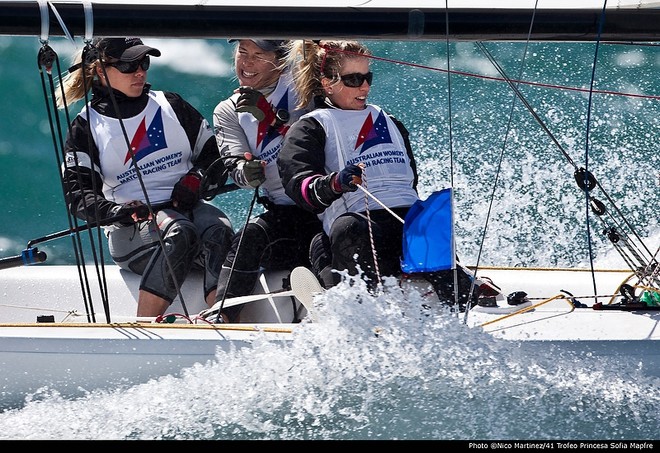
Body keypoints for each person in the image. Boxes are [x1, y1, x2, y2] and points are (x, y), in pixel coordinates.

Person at [278, 40, 484, 306]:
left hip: (405, 224)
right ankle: (338, 297)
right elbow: (300, 187)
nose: (364, 87)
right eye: (353, 79)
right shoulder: (311, 127)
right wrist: (335, 183)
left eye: (367, 77)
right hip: (361, 229)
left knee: (434, 218)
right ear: (328, 83)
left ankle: (464, 300)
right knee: (349, 228)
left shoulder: (390, 121)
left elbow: (410, 180)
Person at [57, 37, 234, 318]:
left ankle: (220, 319)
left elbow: (215, 156)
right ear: (101, 71)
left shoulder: (171, 105)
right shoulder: (86, 126)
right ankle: (146, 324)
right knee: (180, 232)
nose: (140, 72)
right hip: (133, 231)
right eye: (129, 66)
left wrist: (196, 179)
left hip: (187, 209)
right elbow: (78, 197)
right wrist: (117, 211)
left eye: (144, 63)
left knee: (219, 228)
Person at [211, 39, 323, 322]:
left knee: (330, 241)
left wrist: (274, 121)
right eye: (242, 53)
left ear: (280, 59)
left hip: (325, 205)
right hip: (284, 213)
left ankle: (339, 310)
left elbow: (326, 145)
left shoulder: (306, 84)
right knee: (249, 236)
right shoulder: (227, 111)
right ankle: (221, 317)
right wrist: (245, 172)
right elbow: (235, 167)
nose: (246, 63)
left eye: (258, 55)